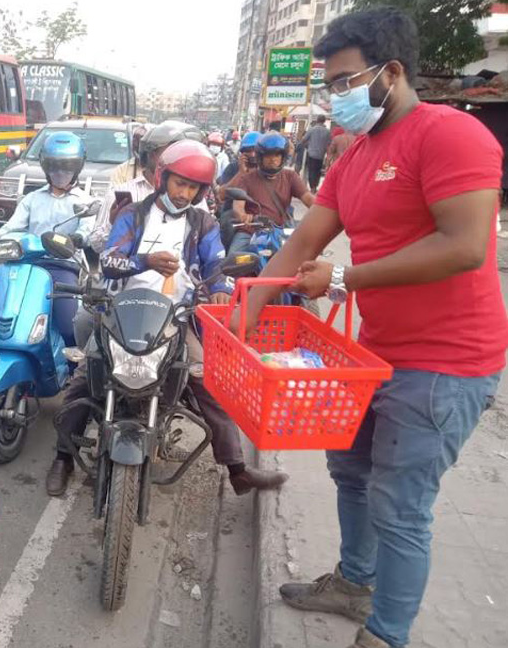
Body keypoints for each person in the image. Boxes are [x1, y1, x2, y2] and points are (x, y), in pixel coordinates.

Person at [236, 9, 507, 648]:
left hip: (446, 363)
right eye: (329, 86)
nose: (337, 96)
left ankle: (385, 634)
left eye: (343, 81)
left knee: (401, 507)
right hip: (374, 351)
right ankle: (355, 583)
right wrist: (242, 317)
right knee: (349, 471)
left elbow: (466, 245)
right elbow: (305, 236)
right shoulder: (356, 155)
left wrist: (340, 281)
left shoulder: (451, 136)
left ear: (391, 72)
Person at [45, 140, 289, 497]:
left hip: (175, 317)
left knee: (208, 382)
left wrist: (220, 286)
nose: (184, 193)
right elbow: (111, 260)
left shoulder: (203, 222)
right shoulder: (133, 214)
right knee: (85, 377)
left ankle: (237, 469)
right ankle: (63, 458)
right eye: (179, 183)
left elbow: (215, 266)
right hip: (121, 312)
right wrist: (146, 261)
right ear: (163, 178)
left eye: (193, 187)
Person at [0, 131, 93, 347]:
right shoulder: (32, 199)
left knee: (69, 325)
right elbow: (12, 227)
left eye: (67, 167)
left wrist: (76, 238)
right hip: (27, 264)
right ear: (45, 166)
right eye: (54, 166)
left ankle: (74, 368)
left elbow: (88, 231)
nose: (60, 173)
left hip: (62, 265)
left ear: (78, 167)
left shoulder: (84, 202)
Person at [89, 121, 195, 254]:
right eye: (167, 153)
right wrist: (114, 225)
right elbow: (97, 246)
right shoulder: (122, 192)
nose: (173, 160)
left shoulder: (192, 197)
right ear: (151, 155)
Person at [224, 131, 315, 255]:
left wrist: (320, 215)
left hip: (281, 232)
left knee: (304, 263)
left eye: (277, 155)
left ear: (283, 157)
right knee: (233, 260)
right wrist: (245, 216)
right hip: (250, 232)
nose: (273, 159)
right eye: (268, 155)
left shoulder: (290, 176)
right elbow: (238, 207)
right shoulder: (246, 179)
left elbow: (309, 199)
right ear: (260, 157)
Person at [302, 116, 333, 192]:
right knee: (317, 171)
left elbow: (303, 140)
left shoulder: (312, 130)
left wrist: (307, 146)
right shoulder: (327, 132)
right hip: (321, 154)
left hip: (311, 153)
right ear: (324, 121)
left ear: (317, 120)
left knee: (311, 170)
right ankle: (315, 185)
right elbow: (329, 144)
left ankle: (312, 187)